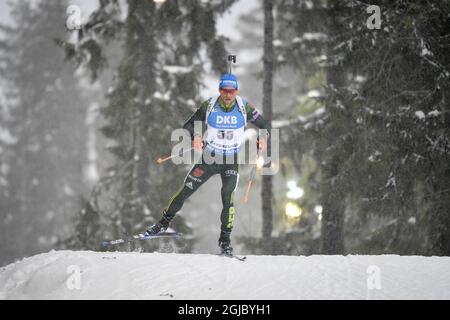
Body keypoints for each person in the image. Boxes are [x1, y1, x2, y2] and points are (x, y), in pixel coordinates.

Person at [144, 73, 270, 255]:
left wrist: (263, 138)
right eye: (225, 91)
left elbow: (265, 124)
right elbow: (188, 124)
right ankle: (162, 224)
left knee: (228, 199)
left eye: (231, 91)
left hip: (230, 161)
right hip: (209, 159)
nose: (228, 95)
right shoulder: (210, 105)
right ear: (220, 90)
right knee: (185, 191)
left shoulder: (244, 107)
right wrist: (195, 136)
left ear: (236, 91)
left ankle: (225, 241)